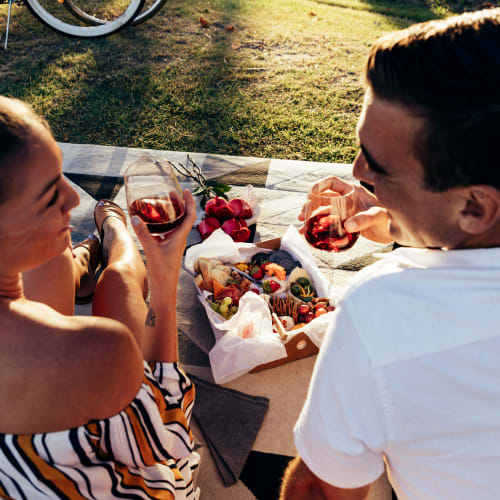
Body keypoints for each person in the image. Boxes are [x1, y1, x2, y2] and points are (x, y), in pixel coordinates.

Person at [280, 8, 500, 500]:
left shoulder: (379, 312)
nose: (358, 172)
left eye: (379, 166)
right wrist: (413, 222)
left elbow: (321, 489)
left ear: (475, 206)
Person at [0, 96, 200, 499]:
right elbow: (170, 448)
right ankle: (114, 233)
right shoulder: (99, 350)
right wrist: (164, 281)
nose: (74, 200)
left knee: (53, 259)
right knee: (120, 280)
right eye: (50, 195)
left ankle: (90, 249)